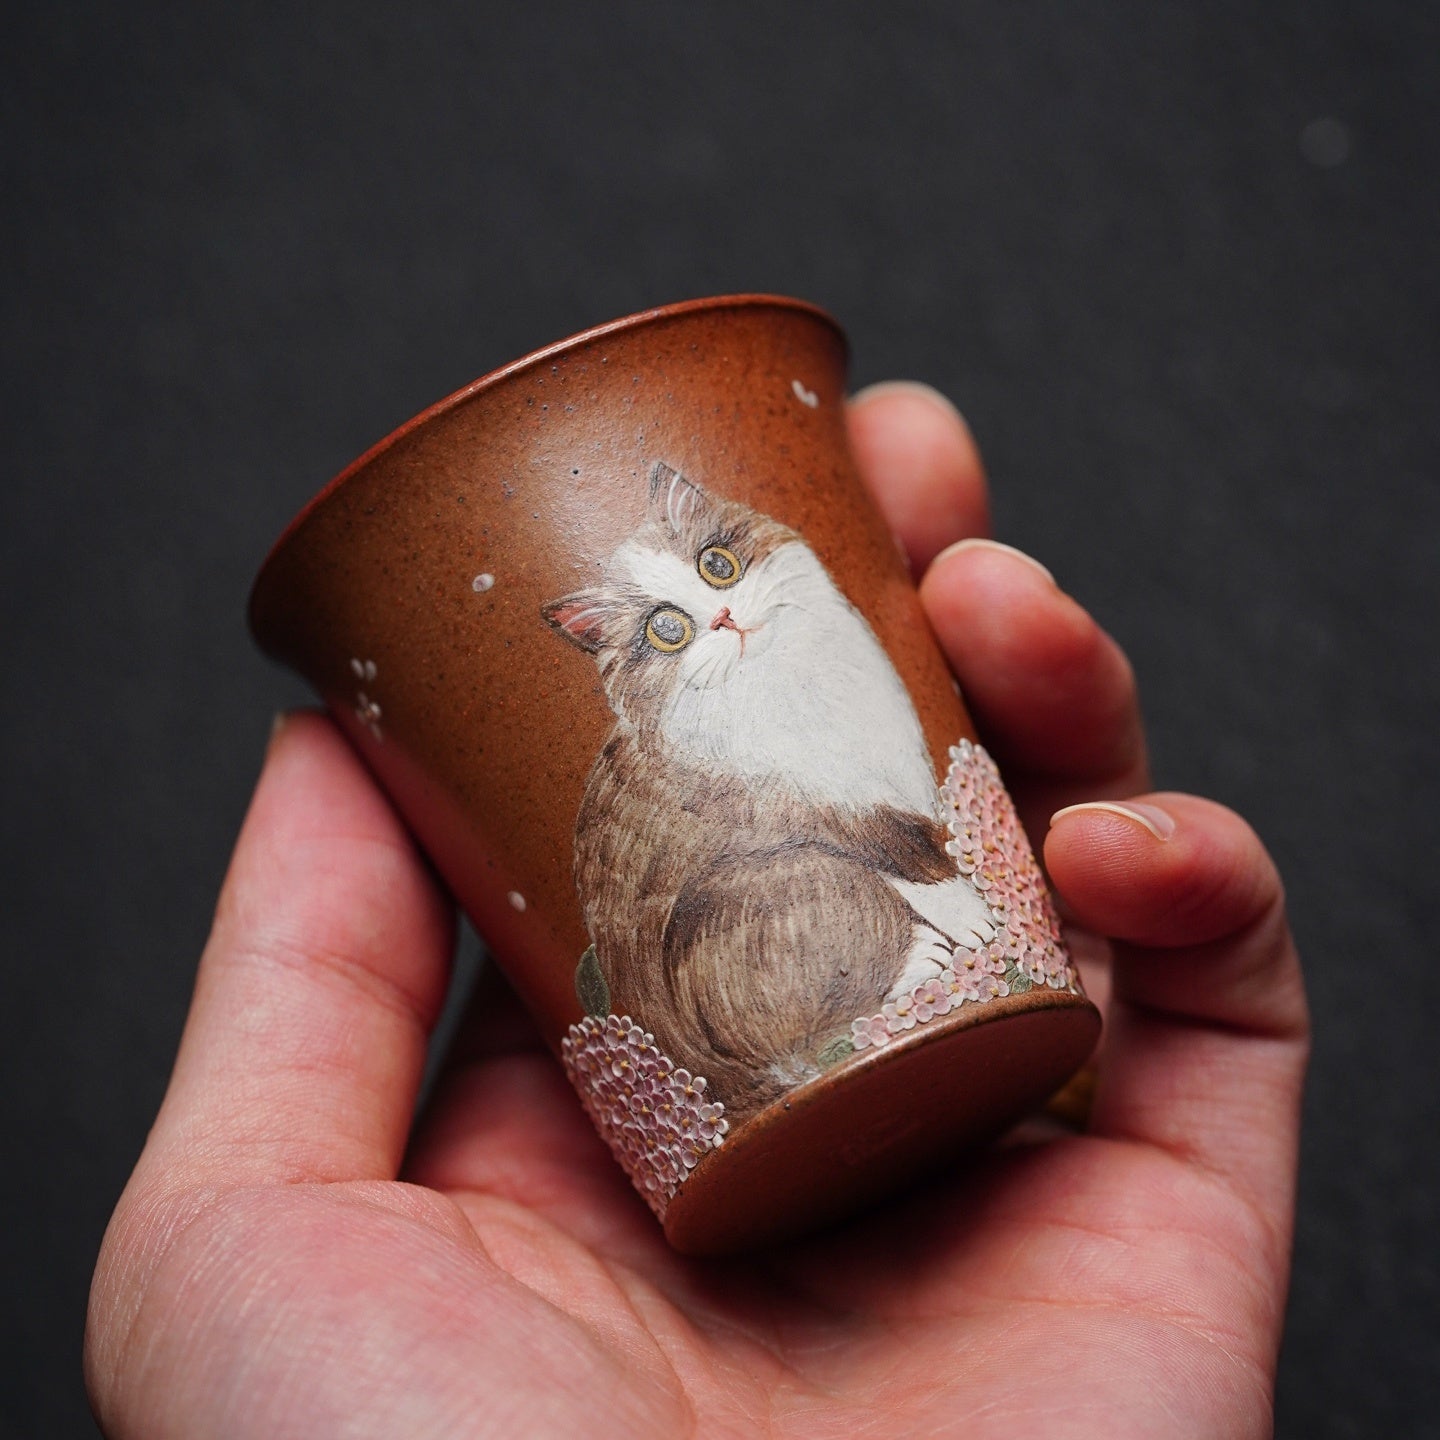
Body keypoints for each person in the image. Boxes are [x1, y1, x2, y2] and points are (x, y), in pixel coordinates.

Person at [85, 383, 1308, 1438]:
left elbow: (877, 812)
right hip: (761, 942)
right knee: (830, 894)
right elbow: (837, 825)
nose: (721, 613)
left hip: (892, 1030)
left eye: (719, 566)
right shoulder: (707, 742)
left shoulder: (802, 642)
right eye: (669, 627)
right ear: (618, 660)